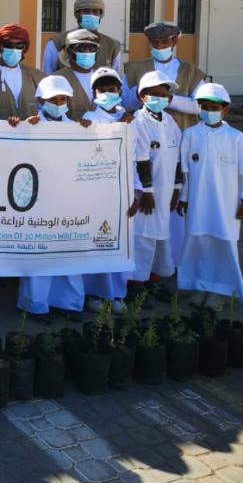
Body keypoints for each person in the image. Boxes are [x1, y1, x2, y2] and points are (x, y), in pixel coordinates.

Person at [176, 83, 243, 312]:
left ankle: (220, 291)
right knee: (199, 243)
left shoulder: (237, 138)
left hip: (226, 205)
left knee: (224, 245)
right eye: (204, 107)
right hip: (198, 203)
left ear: (225, 110)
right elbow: (185, 172)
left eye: (214, 108)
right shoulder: (190, 135)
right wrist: (184, 198)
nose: (209, 111)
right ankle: (200, 285)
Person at [18, 75, 87, 323]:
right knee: (41, 255)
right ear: (40, 101)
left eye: (62, 99)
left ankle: (69, 303)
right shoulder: (30, 126)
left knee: (70, 252)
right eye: (53, 99)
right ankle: (36, 305)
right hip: (39, 201)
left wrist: (89, 131)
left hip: (68, 200)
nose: (58, 104)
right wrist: (20, 127)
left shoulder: (77, 127)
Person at [124, 70, 183, 308]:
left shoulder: (170, 122)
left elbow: (177, 157)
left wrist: (177, 187)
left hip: (166, 190)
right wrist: (146, 192)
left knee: (161, 238)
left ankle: (153, 279)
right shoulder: (137, 122)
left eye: (164, 95)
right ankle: (136, 285)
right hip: (146, 194)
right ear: (142, 96)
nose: (160, 98)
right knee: (143, 238)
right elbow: (140, 160)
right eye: (154, 94)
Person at [81, 67, 130, 314]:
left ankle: (118, 294)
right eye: (102, 89)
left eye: (112, 89)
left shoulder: (130, 117)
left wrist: (139, 189)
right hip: (96, 191)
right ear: (94, 93)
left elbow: (137, 157)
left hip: (123, 191)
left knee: (120, 243)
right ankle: (94, 293)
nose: (108, 93)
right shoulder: (89, 118)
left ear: (120, 90)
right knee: (96, 241)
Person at [123, 21, 206, 130]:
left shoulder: (190, 71)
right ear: (150, 41)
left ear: (174, 41)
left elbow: (201, 105)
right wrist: (140, 95)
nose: (160, 46)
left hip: (181, 131)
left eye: (164, 42)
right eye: (155, 42)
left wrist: (168, 99)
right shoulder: (135, 69)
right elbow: (123, 103)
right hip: (144, 132)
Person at [42, 0, 121, 74]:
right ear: (77, 15)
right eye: (86, 11)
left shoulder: (112, 46)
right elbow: (47, 74)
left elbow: (116, 77)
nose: (91, 15)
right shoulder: (57, 42)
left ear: (100, 16)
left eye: (96, 12)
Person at [0, 24, 44, 119]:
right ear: (0, 46)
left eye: (19, 45)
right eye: (9, 45)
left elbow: (45, 109)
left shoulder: (36, 76)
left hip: (28, 128)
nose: (14, 49)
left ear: (24, 48)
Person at [55, 28, 101, 121]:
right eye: (81, 48)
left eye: (92, 48)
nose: (87, 52)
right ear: (69, 51)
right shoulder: (57, 79)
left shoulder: (104, 77)